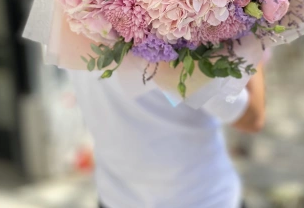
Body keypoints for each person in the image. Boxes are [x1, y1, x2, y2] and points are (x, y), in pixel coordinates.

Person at [70, 62, 265, 208]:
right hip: (200, 198)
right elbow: (251, 116)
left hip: (117, 197)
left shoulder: (66, 19)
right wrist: (255, 36)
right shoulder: (172, 37)